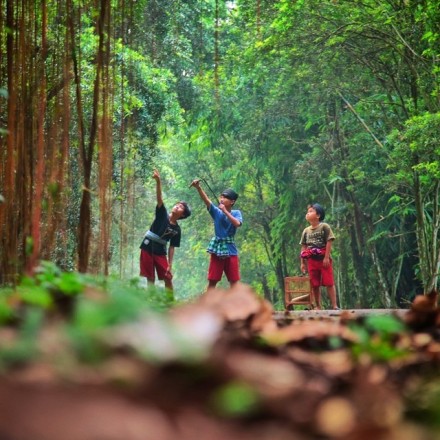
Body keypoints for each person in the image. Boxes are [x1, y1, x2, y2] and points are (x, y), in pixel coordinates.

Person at [139, 169, 191, 292]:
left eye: (181, 207)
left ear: (182, 215)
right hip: (147, 247)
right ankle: (151, 300)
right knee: (150, 277)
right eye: (177, 204)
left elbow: (172, 247)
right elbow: (159, 199)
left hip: (160, 252)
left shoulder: (177, 230)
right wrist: (158, 181)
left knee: (167, 278)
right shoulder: (162, 214)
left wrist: (170, 264)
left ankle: (170, 302)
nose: (177, 206)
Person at [190, 179, 243, 289]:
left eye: (225, 197)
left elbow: (237, 224)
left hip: (231, 250)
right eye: (221, 197)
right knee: (212, 280)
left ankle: (235, 305)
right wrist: (198, 188)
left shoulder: (236, 213)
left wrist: (225, 212)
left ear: (232, 201)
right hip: (217, 250)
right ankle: (207, 304)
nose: (222, 199)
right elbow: (207, 201)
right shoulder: (216, 212)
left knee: (234, 281)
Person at [299, 203, 339, 310]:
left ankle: (334, 305)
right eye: (307, 212)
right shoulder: (306, 231)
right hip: (311, 260)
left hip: (323, 258)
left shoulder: (324, 227)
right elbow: (303, 247)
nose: (308, 213)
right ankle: (318, 306)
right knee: (314, 284)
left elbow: (329, 241)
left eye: (311, 211)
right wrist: (302, 263)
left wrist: (326, 257)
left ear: (318, 215)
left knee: (329, 282)